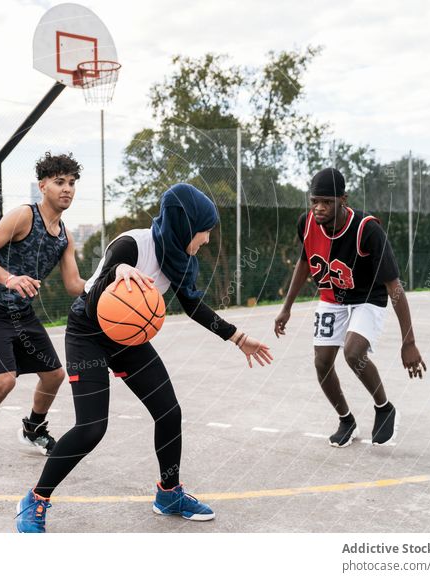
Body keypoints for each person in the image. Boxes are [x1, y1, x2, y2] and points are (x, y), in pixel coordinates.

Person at [15, 183, 273, 532]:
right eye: (205, 231)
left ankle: (169, 493)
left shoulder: (178, 256)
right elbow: (91, 300)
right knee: (92, 428)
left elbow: (193, 305)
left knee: (169, 412)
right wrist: (115, 275)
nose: (207, 239)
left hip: (128, 339)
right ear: (185, 225)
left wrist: (238, 337)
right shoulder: (132, 244)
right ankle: (36, 499)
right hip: (88, 333)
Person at [0, 152, 86, 502]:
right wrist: (9, 279)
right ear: (43, 186)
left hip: (20, 312)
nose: (67, 189)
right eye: (59, 182)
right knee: (4, 379)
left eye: (71, 182)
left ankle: (33, 429)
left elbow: (74, 285)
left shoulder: (64, 237)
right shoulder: (25, 216)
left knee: (54, 375)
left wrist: (114, 278)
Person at [274, 168, 426, 448]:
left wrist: (409, 343)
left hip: (368, 297)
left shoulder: (367, 229)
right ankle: (346, 419)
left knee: (353, 352)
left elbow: (395, 287)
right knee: (321, 362)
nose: (319, 207)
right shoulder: (305, 223)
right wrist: (287, 308)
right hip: (332, 298)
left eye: (327, 202)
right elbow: (305, 262)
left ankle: (384, 407)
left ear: (343, 199)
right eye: (314, 201)